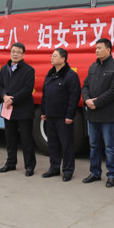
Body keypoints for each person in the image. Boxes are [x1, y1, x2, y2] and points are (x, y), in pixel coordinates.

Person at [81, 38, 114, 188]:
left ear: (108, 49)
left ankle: (111, 175)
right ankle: (95, 172)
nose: (97, 50)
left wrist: (96, 102)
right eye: (96, 48)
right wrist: (87, 100)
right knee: (94, 146)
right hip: (92, 114)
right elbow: (85, 86)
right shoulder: (93, 66)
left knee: (109, 147)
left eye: (99, 48)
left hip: (107, 115)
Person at [40, 48, 81, 182]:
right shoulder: (50, 74)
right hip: (50, 116)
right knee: (53, 144)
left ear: (63, 59)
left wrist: (70, 115)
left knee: (66, 145)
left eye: (55, 56)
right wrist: (43, 112)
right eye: (51, 56)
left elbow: (74, 97)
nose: (52, 58)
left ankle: (68, 170)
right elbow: (45, 94)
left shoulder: (70, 75)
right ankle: (54, 168)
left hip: (63, 118)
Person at [0, 42, 37, 176]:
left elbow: (28, 89)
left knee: (26, 139)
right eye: (13, 51)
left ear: (23, 55)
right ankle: (10, 163)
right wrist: (4, 96)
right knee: (10, 138)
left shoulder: (29, 70)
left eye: (18, 52)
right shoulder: (4, 69)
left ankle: (29, 166)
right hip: (8, 108)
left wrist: (13, 99)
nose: (15, 54)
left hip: (23, 110)